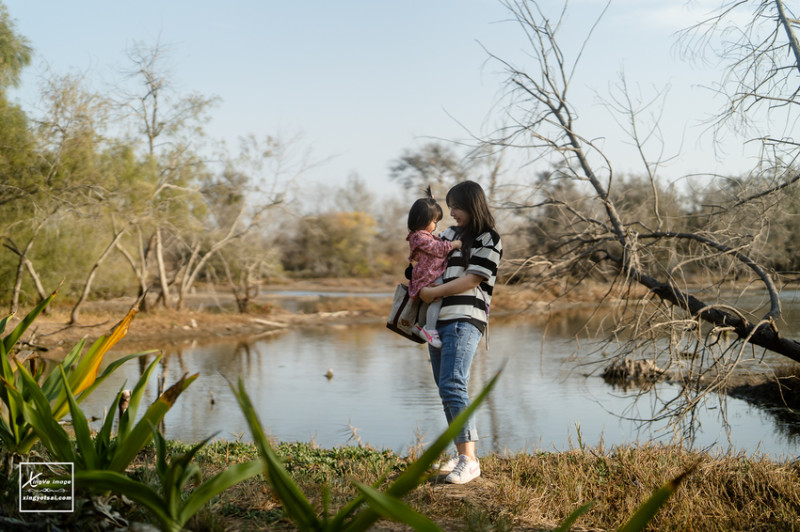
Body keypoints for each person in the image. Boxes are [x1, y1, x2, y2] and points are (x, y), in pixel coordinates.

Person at [418, 180, 502, 485]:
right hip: (438, 321)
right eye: (449, 206)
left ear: (473, 204)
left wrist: (433, 293)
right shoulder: (449, 235)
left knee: (454, 383)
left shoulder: (488, 238)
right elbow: (428, 259)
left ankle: (469, 460)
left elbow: (472, 279)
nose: (452, 213)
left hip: (466, 318)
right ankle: (460, 453)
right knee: (445, 389)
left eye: (457, 206)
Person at [406, 187, 462, 348]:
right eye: (434, 222)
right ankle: (430, 329)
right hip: (429, 274)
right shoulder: (419, 237)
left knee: (427, 303)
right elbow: (437, 249)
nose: (435, 226)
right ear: (422, 220)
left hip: (429, 273)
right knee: (437, 299)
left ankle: (420, 326)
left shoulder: (423, 236)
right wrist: (454, 244)